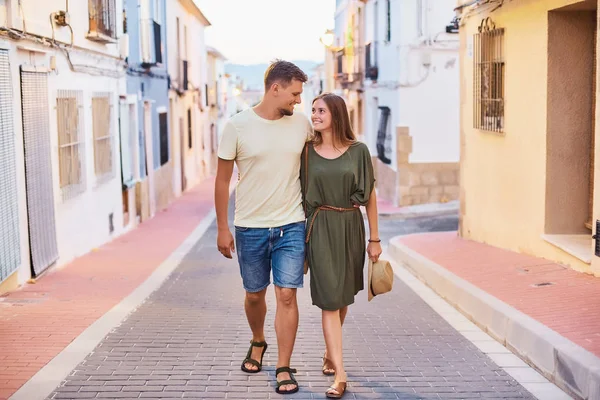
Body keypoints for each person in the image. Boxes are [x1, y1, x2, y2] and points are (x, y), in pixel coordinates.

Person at [214, 60, 312, 395]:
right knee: (255, 294)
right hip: (250, 227)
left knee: (287, 294)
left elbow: (325, 155)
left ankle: (283, 366)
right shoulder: (237, 126)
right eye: (295, 93)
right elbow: (222, 179)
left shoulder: (302, 124)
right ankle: (258, 341)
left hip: (291, 224)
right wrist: (222, 228)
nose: (298, 100)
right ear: (276, 88)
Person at [301, 93, 382, 399]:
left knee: (343, 295)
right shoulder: (307, 152)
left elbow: (370, 196)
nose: (315, 114)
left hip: (350, 226)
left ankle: (329, 353)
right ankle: (341, 373)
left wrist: (374, 239)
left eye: (320, 110)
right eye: (313, 110)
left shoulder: (358, 151)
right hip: (320, 227)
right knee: (329, 299)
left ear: (336, 114)